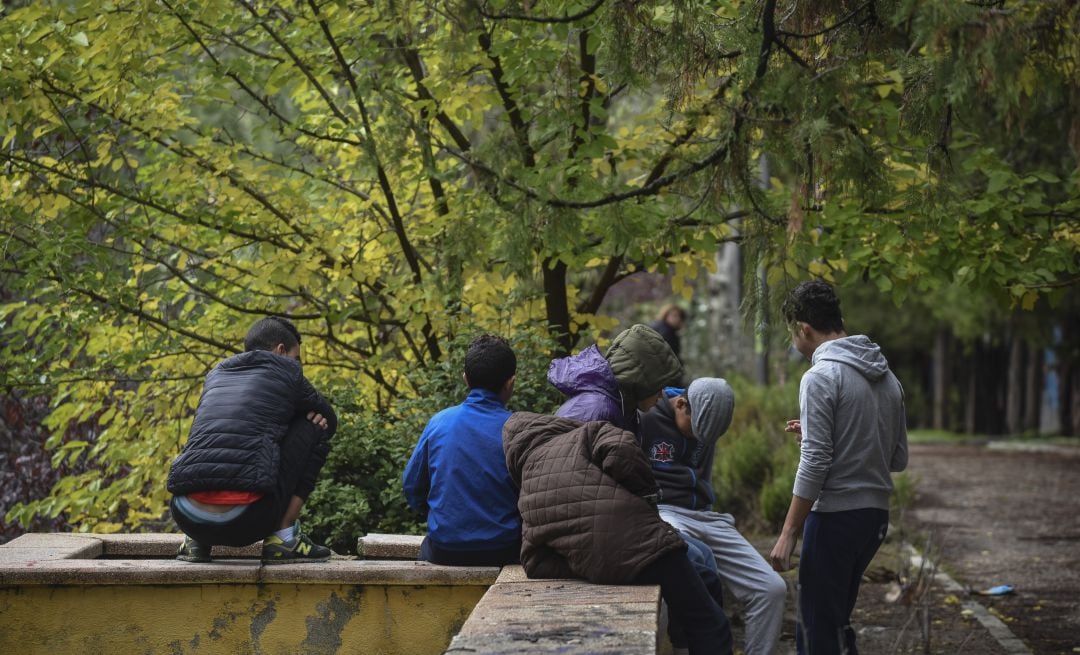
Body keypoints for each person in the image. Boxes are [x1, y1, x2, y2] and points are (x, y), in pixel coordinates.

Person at [548, 324, 724, 652]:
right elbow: (574, 490)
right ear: (636, 379)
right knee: (700, 576)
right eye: (657, 388)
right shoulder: (597, 411)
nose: (662, 397)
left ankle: (684, 645)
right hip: (591, 534)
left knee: (703, 560)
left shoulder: (619, 407)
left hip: (613, 523)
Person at [503, 411, 734, 655]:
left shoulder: (527, 491)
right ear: (548, 424)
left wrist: (583, 562)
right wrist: (645, 496)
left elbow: (533, 562)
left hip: (606, 566)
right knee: (710, 623)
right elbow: (622, 446)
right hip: (644, 542)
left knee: (704, 579)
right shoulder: (584, 433)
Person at [768, 280, 909, 654]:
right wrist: (835, 435)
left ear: (803, 330)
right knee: (837, 625)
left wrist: (787, 532)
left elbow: (815, 461)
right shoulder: (888, 378)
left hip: (834, 518)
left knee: (816, 634)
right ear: (840, 320)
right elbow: (897, 459)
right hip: (873, 519)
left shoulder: (820, 376)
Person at [167, 316, 336, 564]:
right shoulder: (287, 371)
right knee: (315, 425)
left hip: (185, 514)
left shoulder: (217, 374)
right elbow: (330, 420)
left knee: (213, 434)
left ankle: (194, 543)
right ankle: (285, 539)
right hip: (247, 519)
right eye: (296, 357)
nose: (298, 365)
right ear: (280, 350)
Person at [640, 378, 787, 655]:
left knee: (772, 589)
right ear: (681, 404)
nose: (698, 440)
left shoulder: (708, 425)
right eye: (695, 431)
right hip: (664, 511)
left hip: (706, 515)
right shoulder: (646, 417)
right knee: (674, 573)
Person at [402, 335, 522, 566]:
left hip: (445, 549)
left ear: (465, 378)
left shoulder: (439, 423)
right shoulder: (519, 428)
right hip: (505, 549)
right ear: (511, 383)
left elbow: (412, 488)